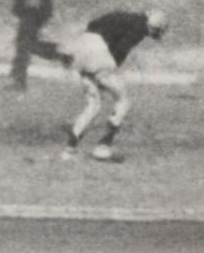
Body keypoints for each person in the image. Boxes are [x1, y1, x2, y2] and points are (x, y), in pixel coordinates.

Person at [47, 9, 169, 162]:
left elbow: (92, 25)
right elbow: (121, 50)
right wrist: (108, 70)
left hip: (81, 48)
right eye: (155, 31)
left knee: (93, 104)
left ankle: (69, 150)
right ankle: (103, 146)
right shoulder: (140, 26)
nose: (151, 34)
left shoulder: (123, 16)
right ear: (153, 26)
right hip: (98, 53)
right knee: (123, 100)